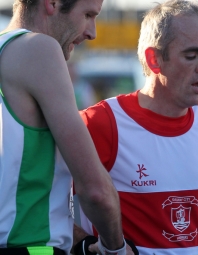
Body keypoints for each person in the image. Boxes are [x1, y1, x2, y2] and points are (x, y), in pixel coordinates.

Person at [76, 0, 198, 254]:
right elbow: (47, 207)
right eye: (192, 55)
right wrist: (87, 245)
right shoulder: (100, 123)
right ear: (154, 59)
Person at [0, 0, 129, 254]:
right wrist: (115, 248)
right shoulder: (39, 48)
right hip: (31, 248)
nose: (92, 32)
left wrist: (80, 240)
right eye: (88, 15)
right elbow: (95, 191)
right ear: (52, 3)